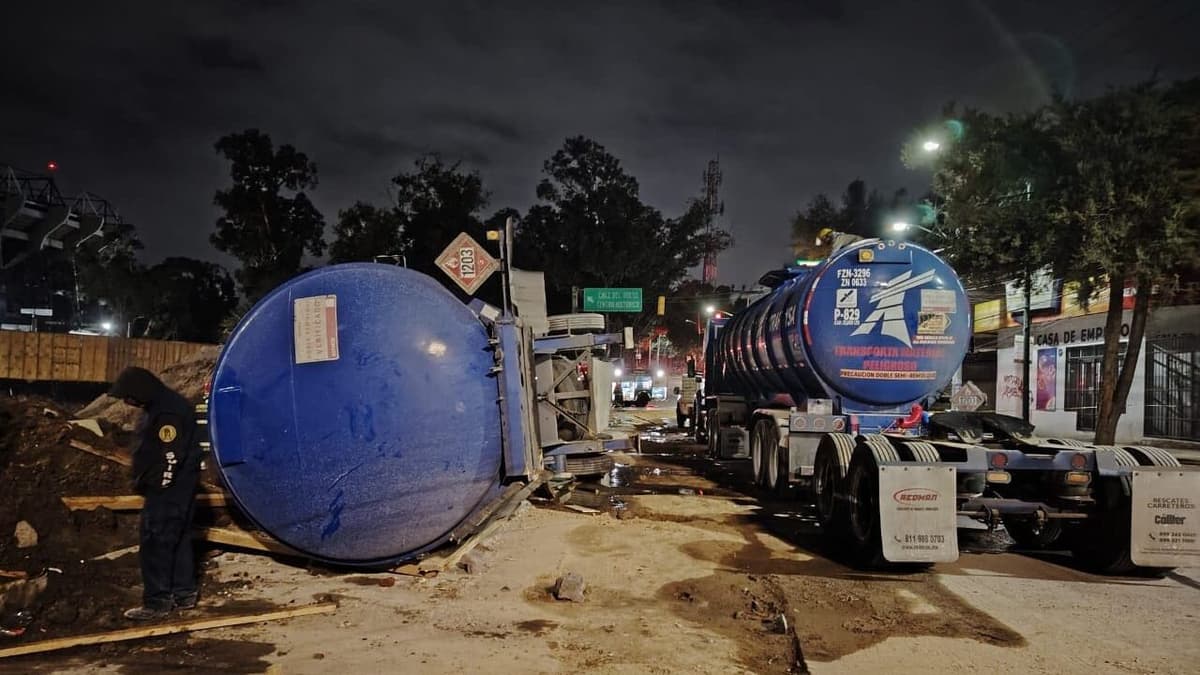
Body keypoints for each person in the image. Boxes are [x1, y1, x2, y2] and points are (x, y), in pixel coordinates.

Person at [109, 367, 202, 621]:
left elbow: (170, 456)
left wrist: (161, 488)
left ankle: (157, 602)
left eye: (128, 396)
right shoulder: (164, 404)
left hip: (168, 492)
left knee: (155, 544)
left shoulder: (167, 412)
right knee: (179, 540)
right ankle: (184, 594)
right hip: (180, 490)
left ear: (140, 390)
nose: (127, 402)